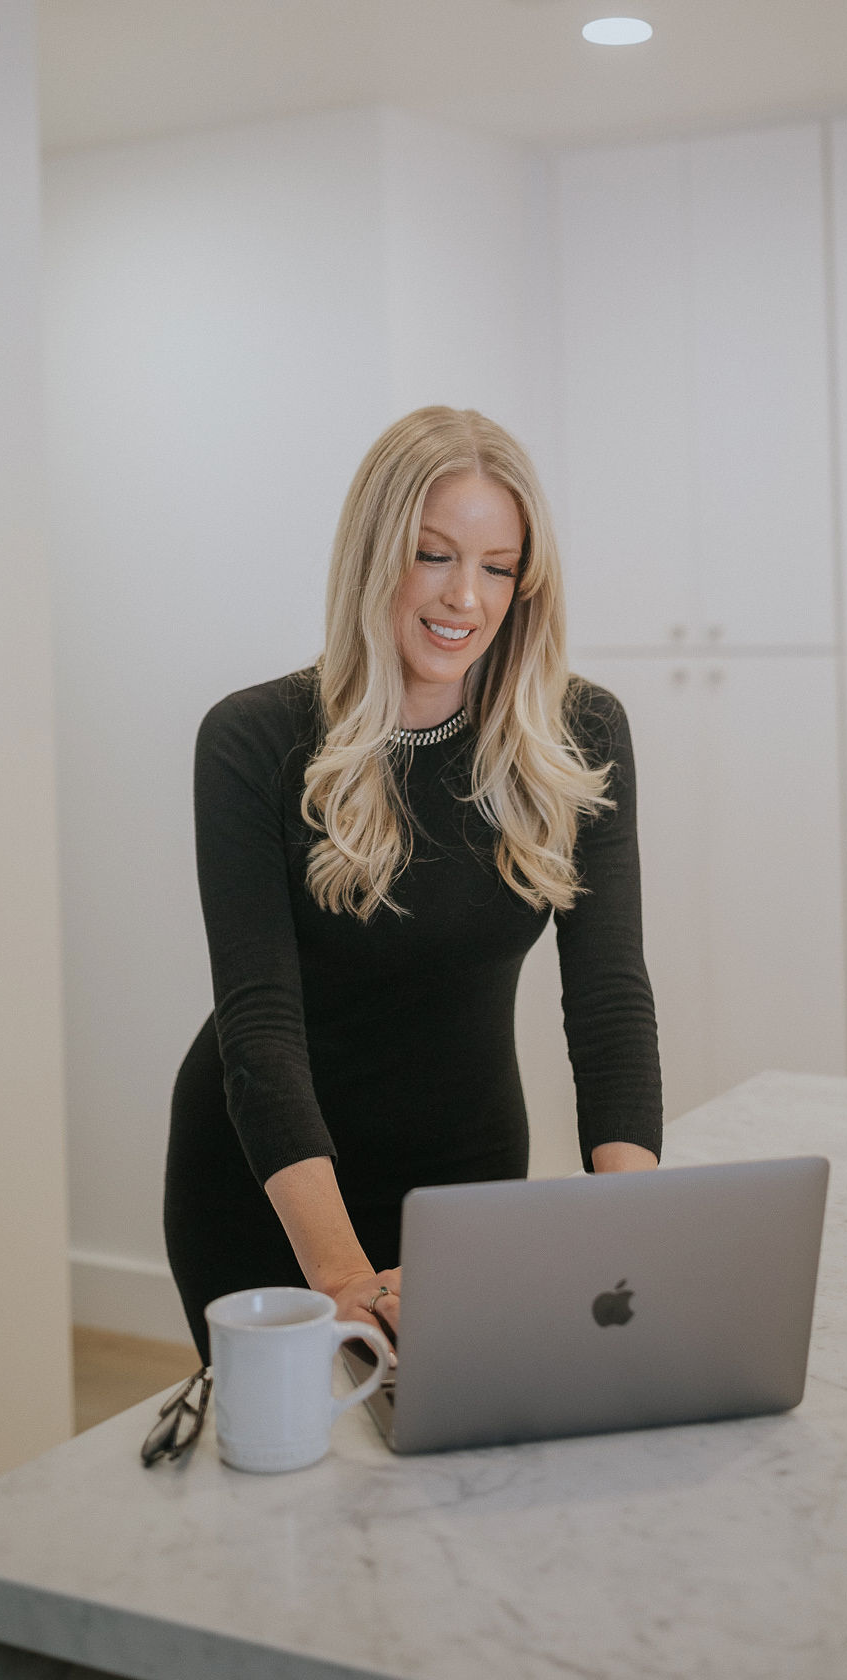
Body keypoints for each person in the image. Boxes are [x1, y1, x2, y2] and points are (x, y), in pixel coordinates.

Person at [164, 406, 662, 1362]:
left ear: (526, 581)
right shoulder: (255, 740)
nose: (464, 597)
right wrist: (342, 1277)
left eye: (497, 565)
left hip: (465, 1174)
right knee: (290, 1484)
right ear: (374, 554)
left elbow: (606, 1001)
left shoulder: (579, 734)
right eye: (433, 555)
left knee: (455, 1478)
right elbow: (257, 1028)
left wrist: (630, 1227)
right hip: (271, 1186)